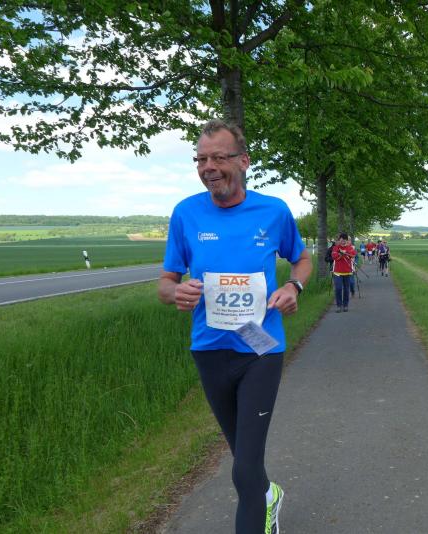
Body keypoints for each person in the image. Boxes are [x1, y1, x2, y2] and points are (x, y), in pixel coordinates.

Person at [158, 119, 312, 534]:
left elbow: (302, 258)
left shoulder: (273, 211)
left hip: (260, 346)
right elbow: (166, 282)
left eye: (218, 158)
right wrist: (176, 293)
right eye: (200, 160)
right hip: (209, 348)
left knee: (243, 468)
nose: (208, 167)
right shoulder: (186, 213)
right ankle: (269, 495)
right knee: (243, 456)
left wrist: (293, 286)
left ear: (243, 161)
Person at [331, 232, 356, 312]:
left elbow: (353, 255)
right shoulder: (336, 248)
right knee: (338, 288)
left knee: (346, 289)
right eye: (341, 240)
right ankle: (339, 305)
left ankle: (345, 305)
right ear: (339, 240)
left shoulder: (350, 248)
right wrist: (340, 254)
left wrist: (346, 253)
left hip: (347, 272)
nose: (343, 241)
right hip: (337, 272)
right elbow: (334, 257)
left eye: (344, 240)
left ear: (347, 240)